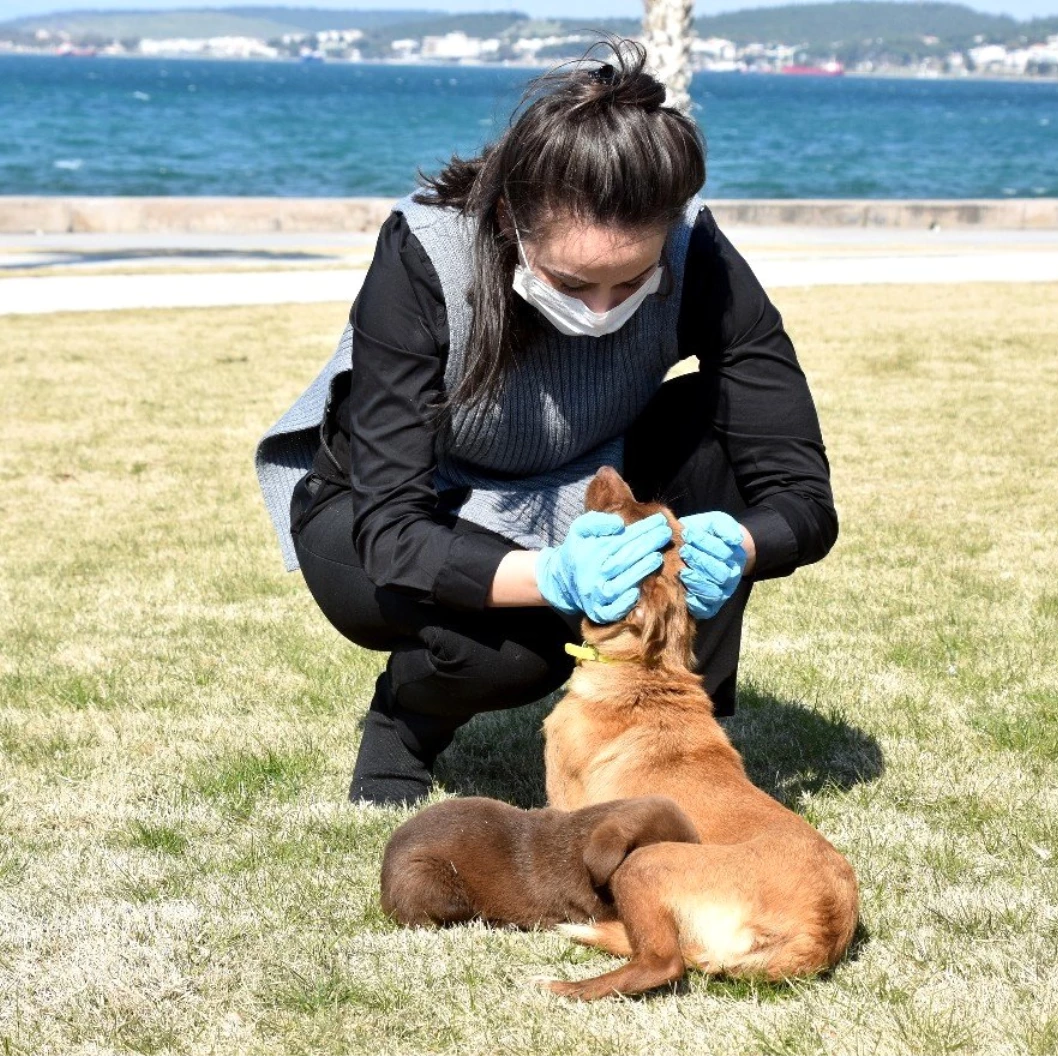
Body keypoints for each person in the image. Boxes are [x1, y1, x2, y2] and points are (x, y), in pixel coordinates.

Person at [254, 43, 837, 807]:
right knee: (515, 652)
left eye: (631, 281)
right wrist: (555, 576)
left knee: (712, 421)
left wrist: (738, 541)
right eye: (571, 282)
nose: (601, 314)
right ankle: (405, 722)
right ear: (509, 219)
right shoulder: (429, 253)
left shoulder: (698, 252)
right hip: (385, 507)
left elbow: (801, 493)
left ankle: (686, 733)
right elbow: (392, 528)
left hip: (583, 476)